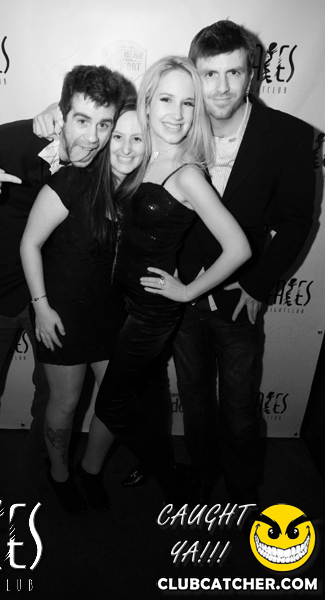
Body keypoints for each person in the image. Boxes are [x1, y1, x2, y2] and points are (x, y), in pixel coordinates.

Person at [0, 65, 127, 509]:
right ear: (62, 112)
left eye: (104, 124)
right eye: (81, 120)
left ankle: (44, 473)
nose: (93, 137)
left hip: (59, 301)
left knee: (52, 397)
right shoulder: (11, 141)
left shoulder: (111, 154)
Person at [93, 55, 251, 504]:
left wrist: (187, 291)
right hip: (123, 299)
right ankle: (163, 465)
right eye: (166, 99)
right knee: (146, 394)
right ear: (146, 102)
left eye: (188, 102)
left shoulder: (188, 173)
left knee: (110, 405)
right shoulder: (144, 152)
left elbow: (239, 248)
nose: (177, 114)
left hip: (152, 313)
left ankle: (172, 477)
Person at [170, 20, 315, 506]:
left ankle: (242, 486)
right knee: (193, 396)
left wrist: (258, 284)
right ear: (194, 74)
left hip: (238, 294)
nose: (221, 87)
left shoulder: (289, 136)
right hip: (182, 291)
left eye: (234, 72)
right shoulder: (174, 125)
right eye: (209, 74)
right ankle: (202, 471)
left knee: (237, 404)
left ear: (252, 74)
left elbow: (297, 222)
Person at [20, 104, 145, 512]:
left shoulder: (139, 195)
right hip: (62, 314)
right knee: (66, 402)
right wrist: (41, 308)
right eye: (118, 136)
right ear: (105, 140)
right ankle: (59, 475)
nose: (125, 148)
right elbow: (30, 243)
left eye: (137, 138)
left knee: (115, 400)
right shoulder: (73, 181)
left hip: (113, 316)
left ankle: (91, 470)